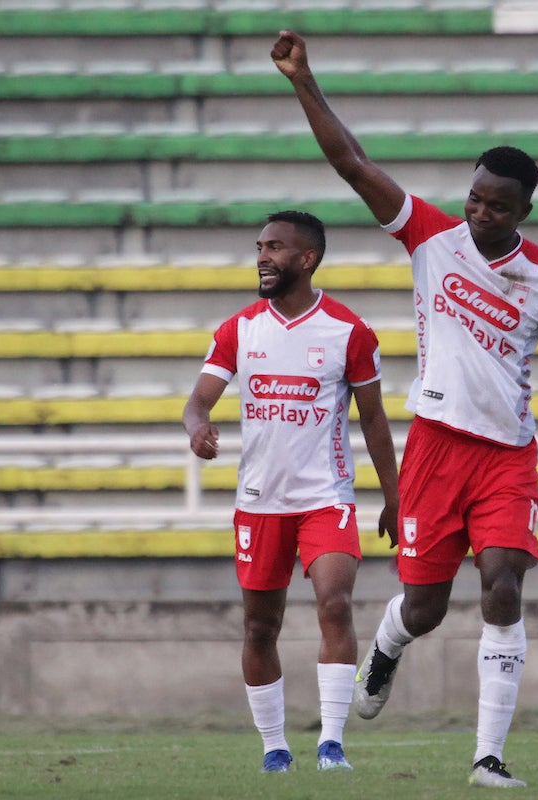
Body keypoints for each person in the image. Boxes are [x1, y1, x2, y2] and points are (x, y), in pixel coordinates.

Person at [271, 31, 538, 789]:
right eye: (475, 196)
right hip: (436, 449)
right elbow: (351, 163)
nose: (479, 212)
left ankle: (488, 758)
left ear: (524, 211)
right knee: (425, 607)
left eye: (496, 205)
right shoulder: (431, 237)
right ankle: (387, 645)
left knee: (505, 583)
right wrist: (302, 79)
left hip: (508, 455)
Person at [182, 209, 400, 774]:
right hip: (259, 501)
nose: (262, 255)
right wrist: (197, 426)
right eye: (259, 246)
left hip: (326, 495)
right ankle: (275, 749)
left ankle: (331, 744)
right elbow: (197, 400)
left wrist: (395, 498)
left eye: (275, 247)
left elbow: (374, 420)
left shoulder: (350, 332)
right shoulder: (239, 330)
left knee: (335, 601)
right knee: (260, 625)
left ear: (307, 258)